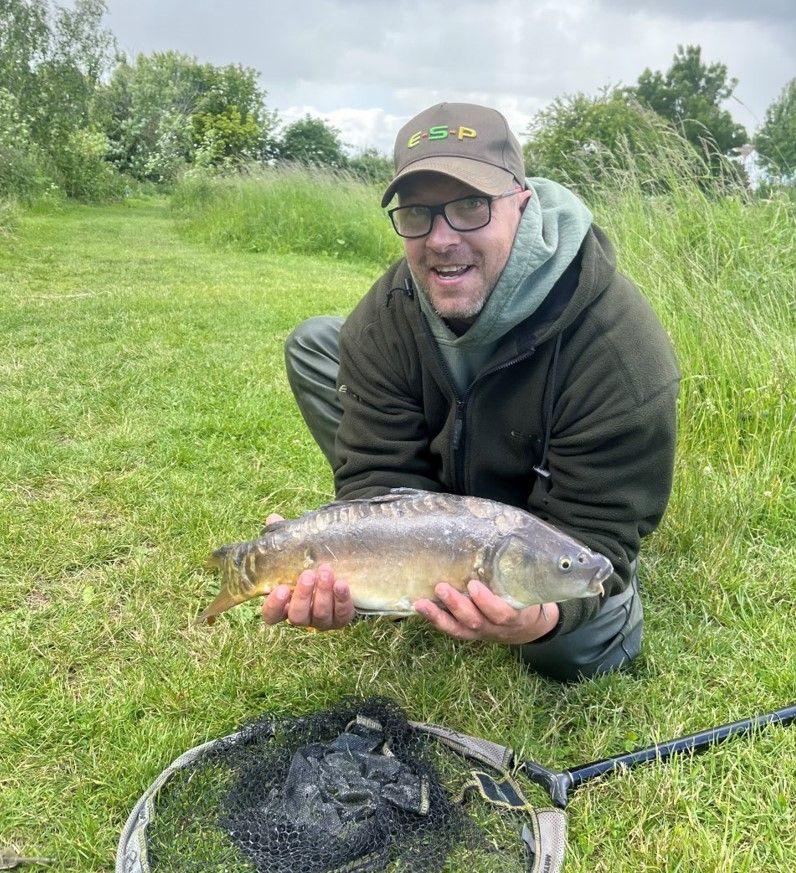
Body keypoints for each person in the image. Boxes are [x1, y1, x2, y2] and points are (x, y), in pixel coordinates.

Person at [262, 102, 680, 681]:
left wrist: (543, 618)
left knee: (566, 651)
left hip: (545, 527)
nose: (440, 240)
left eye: (469, 207)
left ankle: (553, 588)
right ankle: (417, 567)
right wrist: (351, 554)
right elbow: (378, 478)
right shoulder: (385, 316)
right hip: (446, 519)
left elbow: (597, 530)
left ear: (522, 203)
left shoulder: (619, 349)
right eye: (418, 214)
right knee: (317, 342)